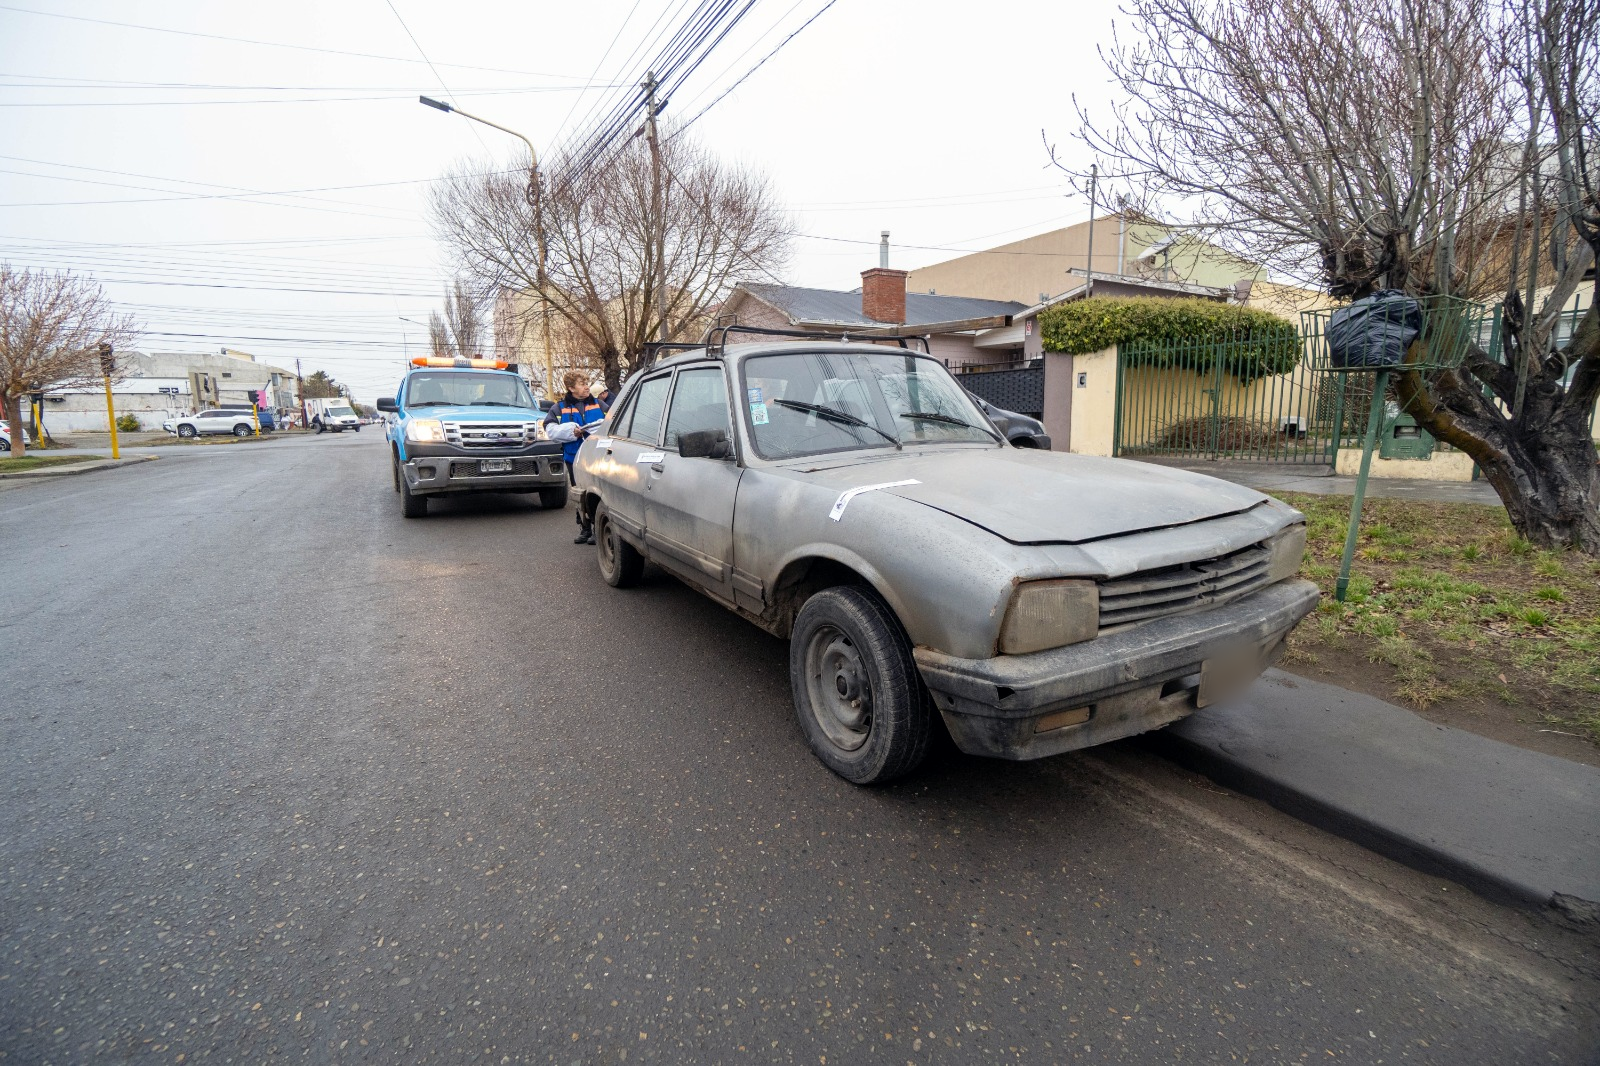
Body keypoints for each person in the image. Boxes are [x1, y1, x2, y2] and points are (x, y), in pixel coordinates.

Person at [543, 372, 610, 543]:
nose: (587, 386)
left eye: (587, 382)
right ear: (571, 388)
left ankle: (597, 529)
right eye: (582, 383)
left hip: (597, 459)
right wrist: (570, 431)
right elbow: (550, 429)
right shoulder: (558, 408)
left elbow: (613, 425)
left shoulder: (600, 405)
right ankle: (585, 528)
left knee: (596, 493)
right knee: (579, 493)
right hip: (574, 458)